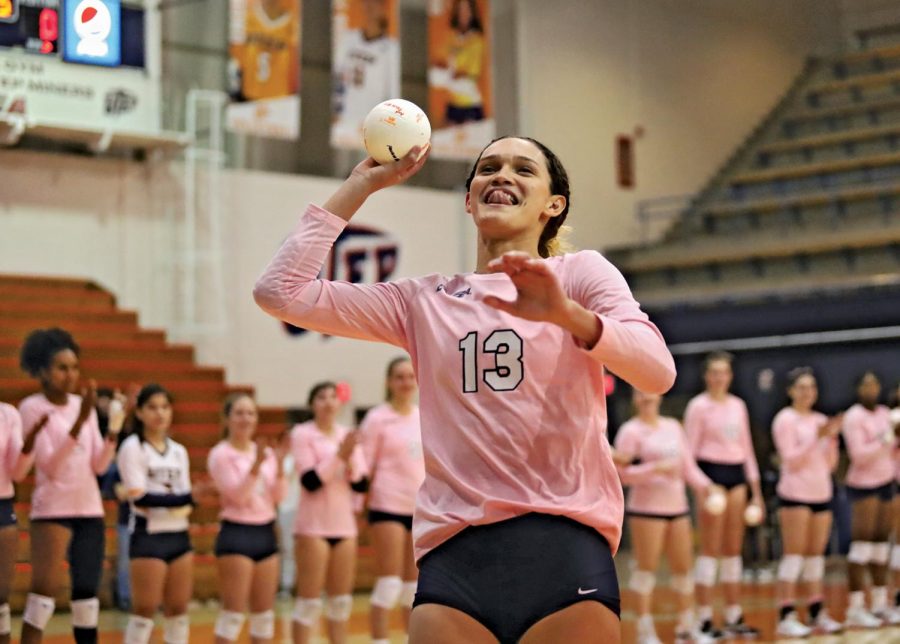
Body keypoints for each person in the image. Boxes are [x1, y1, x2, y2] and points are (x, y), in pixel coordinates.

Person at [253, 135, 675, 643]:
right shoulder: (422, 300)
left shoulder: (579, 273)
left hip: (565, 547)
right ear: (469, 199)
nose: (502, 175)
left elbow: (657, 371)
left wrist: (566, 315)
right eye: (489, 167)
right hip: (455, 558)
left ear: (553, 205)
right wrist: (359, 186)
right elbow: (279, 292)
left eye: (523, 169)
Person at [15, 328, 121, 644]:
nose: (71, 374)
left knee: (87, 597)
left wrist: (113, 432)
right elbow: (49, 465)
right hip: (52, 510)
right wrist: (77, 424)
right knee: (43, 595)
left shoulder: (81, 405)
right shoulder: (31, 408)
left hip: (89, 508)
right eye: (62, 368)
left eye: (74, 367)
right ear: (43, 371)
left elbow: (98, 466)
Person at [613, 390, 718, 644]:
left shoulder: (672, 426)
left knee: (683, 570)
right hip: (646, 510)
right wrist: (653, 469)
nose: (645, 397)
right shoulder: (630, 431)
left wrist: (707, 485)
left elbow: (688, 467)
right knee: (646, 571)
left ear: (658, 396)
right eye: (639, 394)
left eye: (649, 393)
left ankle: (686, 626)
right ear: (635, 400)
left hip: (678, 509)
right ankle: (644, 629)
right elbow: (622, 474)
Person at [684, 351, 762, 638]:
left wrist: (756, 493)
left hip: (737, 476)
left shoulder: (738, 405)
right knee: (710, 548)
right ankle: (704, 617)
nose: (719, 377)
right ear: (707, 376)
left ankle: (733, 613)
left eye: (724, 372)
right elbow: (687, 455)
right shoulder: (698, 406)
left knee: (732, 549)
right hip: (711, 475)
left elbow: (748, 450)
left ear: (730, 376)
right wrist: (705, 486)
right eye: (714, 372)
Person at [289, 382, 369, 644]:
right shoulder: (302, 433)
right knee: (309, 603)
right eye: (321, 397)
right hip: (313, 528)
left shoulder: (347, 434)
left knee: (340, 604)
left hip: (344, 526)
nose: (327, 401)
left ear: (339, 403)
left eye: (332, 397)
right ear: (312, 404)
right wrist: (339, 456)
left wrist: (349, 461)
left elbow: (360, 482)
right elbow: (310, 481)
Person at [117, 384, 194, 644]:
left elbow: (185, 501)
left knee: (178, 611)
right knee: (144, 610)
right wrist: (184, 499)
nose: (159, 413)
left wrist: (180, 500)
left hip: (179, 537)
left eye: (164, 407)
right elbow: (140, 498)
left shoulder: (179, 451)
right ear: (139, 412)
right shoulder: (132, 447)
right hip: (148, 536)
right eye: (151, 407)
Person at [208, 393, 288, 643]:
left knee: (264, 616)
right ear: (227, 419)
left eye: (251, 413)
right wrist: (256, 466)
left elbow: (277, 496)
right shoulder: (221, 454)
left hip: (265, 531)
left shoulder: (264, 454)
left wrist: (282, 466)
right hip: (236, 533)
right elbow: (238, 496)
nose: (246, 418)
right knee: (232, 614)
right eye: (239, 413)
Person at [770, 367, 843, 636]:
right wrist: (819, 437)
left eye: (811, 387)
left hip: (820, 493)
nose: (807, 392)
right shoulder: (785, 419)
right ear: (790, 391)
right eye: (801, 387)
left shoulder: (820, 420)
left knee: (815, 558)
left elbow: (830, 465)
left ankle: (816, 611)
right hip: (795, 494)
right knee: (794, 555)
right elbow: (790, 458)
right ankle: (785, 614)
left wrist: (832, 439)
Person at [360, 356, 425, 644]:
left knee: (413, 588)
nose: (405, 382)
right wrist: (358, 506)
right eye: (399, 377)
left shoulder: (423, 415)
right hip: (386, 505)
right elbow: (364, 465)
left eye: (410, 376)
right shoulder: (377, 418)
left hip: (418, 509)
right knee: (388, 583)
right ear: (388, 382)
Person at [842, 371, 897, 628]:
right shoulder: (854, 417)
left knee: (879, 547)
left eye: (875, 384)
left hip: (887, 482)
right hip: (864, 485)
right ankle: (855, 606)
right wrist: (888, 438)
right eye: (866, 385)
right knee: (861, 547)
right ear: (858, 389)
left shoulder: (885, 413)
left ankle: (878, 603)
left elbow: (891, 449)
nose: (871, 389)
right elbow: (859, 455)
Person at [331, 0, 400, 147]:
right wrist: (333, 110)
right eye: (367, 3)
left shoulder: (391, 49)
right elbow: (336, 78)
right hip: (344, 118)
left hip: (371, 124)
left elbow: (394, 93)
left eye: (375, 4)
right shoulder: (348, 39)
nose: (370, 7)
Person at [0, 402, 24, 644]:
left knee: (0, 597)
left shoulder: (7, 414)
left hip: (2, 504)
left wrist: (29, 448)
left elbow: (18, 469)